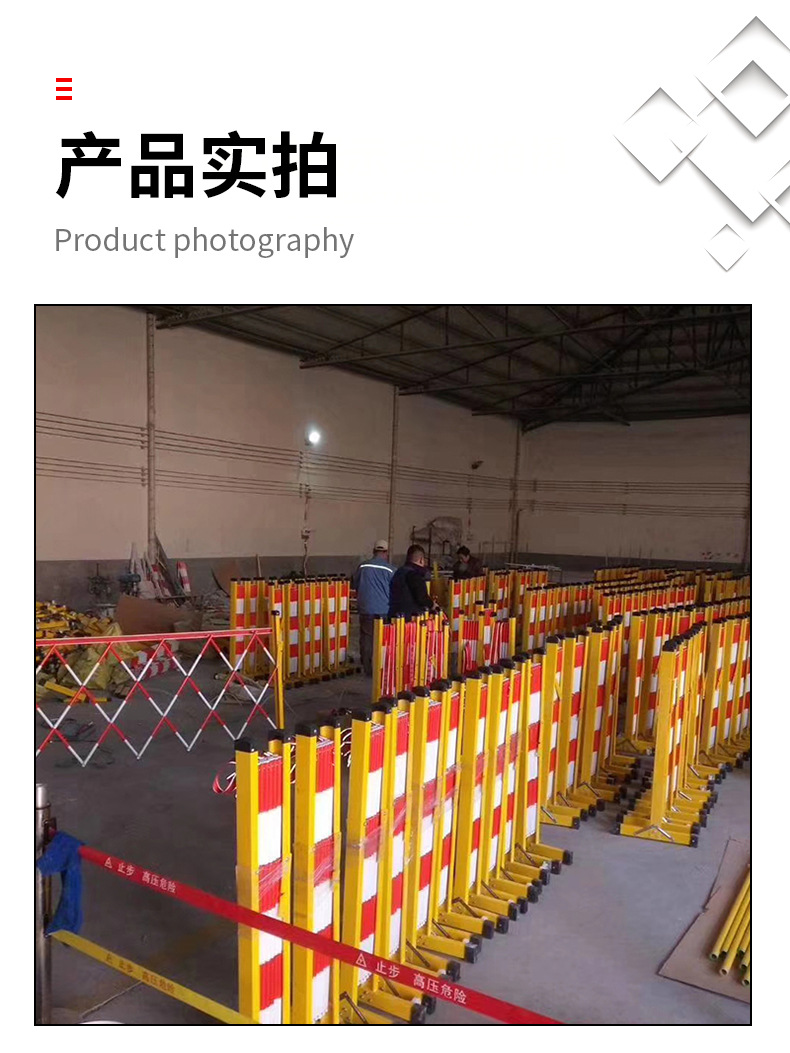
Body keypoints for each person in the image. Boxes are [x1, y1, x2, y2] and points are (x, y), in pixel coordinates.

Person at [351, 540, 395, 676]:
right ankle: (381, 668)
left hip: (366, 608)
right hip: (384, 609)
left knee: (367, 638)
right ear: (386, 553)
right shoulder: (390, 570)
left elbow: (354, 584)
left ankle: (367, 668)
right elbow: (396, 590)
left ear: (373, 551)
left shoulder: (363, 566)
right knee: (383, 639)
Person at [388, 544, 436, 618]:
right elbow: (421, 598)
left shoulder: (399, 572)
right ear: (421, 560)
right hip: (411, 618)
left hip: (394, 615)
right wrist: (432, 605)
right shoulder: (415, 575)